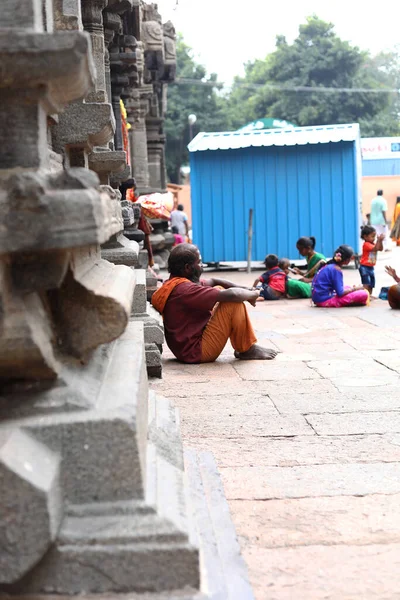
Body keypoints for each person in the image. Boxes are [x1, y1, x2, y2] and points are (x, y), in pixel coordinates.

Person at [151, 244, 277, 363]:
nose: (203, 265)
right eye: (199, 262)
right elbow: (234, 295)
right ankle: (247, 349)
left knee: (221, 290)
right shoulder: (184, 290)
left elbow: (215, 280)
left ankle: (243, 347)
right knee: (232, 303)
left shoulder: (177, 282)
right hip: (195, 352)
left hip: (186, 348)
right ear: (188, 268)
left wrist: (247, 289)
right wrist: (253, 295)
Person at [359, 225, 385, 294]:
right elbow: (375, 249)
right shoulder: (366, 244)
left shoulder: (372, 243)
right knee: (366, 283)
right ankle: (365, 295)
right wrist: (379, 240)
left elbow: (380, 249)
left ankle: (369, 295)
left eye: (374, 236)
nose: (374, 238)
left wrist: (380, 241)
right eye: (372, 236)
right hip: (364, 267)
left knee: (371, 284)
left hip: (370, 267)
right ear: (365, 237)